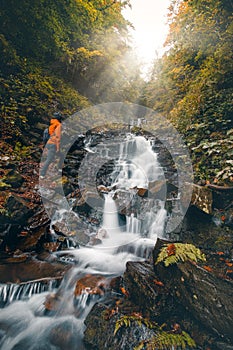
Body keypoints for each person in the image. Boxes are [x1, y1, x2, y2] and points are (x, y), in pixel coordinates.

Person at [40, 112, 62, 179]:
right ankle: (42, 174)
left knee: (61, 155)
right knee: (49, 160)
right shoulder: (58, 125)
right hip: (53, 144)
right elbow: (57, 137)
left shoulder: (52, 124)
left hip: (49, 143)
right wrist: (58, 148)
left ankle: (59, 169)